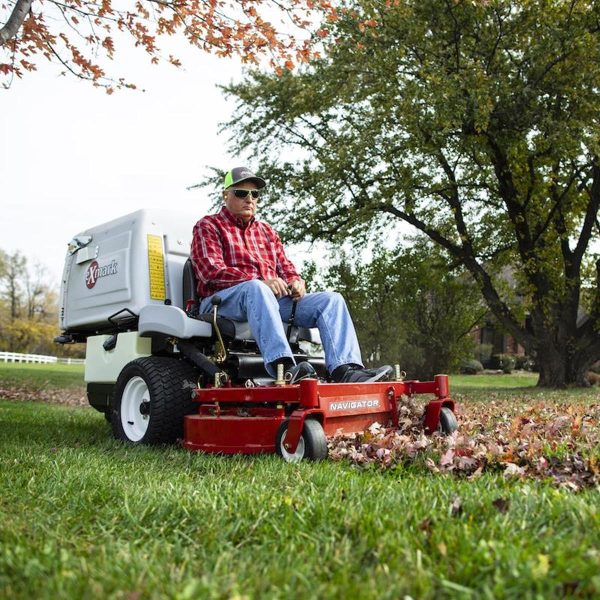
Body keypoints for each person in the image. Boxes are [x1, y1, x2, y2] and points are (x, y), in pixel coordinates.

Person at [190, 166, 392, 383]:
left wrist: (295, 281)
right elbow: (211, 271)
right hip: (222, 303)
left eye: (254, 194)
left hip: (268, 301)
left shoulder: (267, 232)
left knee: (331, 300)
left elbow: (286, 267)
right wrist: (260, 282)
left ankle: (345, 369)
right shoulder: (208, 226)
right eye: (241, 193)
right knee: (257, 288)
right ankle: (283, 367)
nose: (249, 199)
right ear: (226, 194)